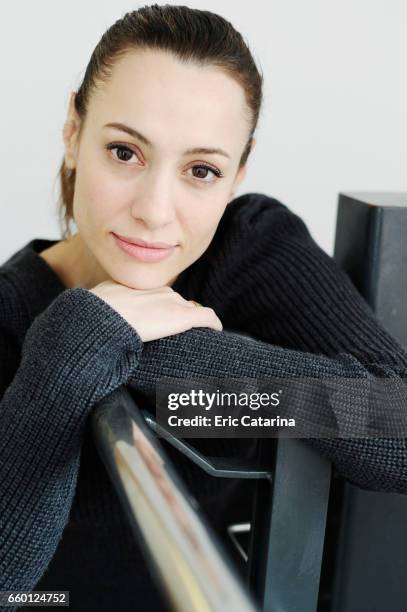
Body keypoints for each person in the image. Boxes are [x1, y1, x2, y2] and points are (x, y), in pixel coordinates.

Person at [1, 4, 407, 611]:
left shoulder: (247, 248)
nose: (155, 210)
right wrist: (75, 342)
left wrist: (186, 360)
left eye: (201, 169)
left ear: (237, 174)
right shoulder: (10, 316)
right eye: (124, 153)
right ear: (72, 131)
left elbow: (396, 423)